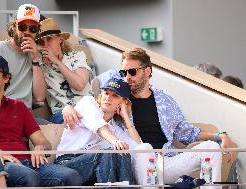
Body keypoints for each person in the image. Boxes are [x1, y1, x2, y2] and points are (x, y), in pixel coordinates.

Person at [63, 48, 235, 187]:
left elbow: (185, 132)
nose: (127, 77)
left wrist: (219, 136)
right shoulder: (118, 98)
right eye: (124, 72)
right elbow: (93, 104)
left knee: (211, 148)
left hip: (166, 162)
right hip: (135, 162)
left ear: (147, 71)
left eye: (132, 72)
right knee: (143, 148)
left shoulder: (164, 100)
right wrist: (67, 107)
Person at [0, 55, 82, 187]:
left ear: (6, 78)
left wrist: (39, 147)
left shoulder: (18, 106)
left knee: (72, 176)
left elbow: (44, 142)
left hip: (28, 162)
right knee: (29, 177)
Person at [56, 78, 140, 186]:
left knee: (123, 152)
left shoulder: (114, 127)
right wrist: (116, 142)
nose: (108, 98)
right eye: (106, 93)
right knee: (109, 153)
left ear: (123, 102)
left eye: (115, 96)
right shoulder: (88, 103)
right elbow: (100, 127)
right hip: (66, 162)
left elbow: (139, 148)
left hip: (95, 165)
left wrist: (126, 119)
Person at [0, 4, 46, 109]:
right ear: (13, 26)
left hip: (24, 114)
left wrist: (36, 59)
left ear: (37, 32)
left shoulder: (36, 56)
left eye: (33, 28)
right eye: (22, 27)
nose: (27, 32)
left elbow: (40, 97)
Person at [36, 18, 91, 123]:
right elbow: (39, 98)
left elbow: (79, 85)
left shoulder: (77, 56)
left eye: (49, 39)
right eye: (41, 42)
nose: (46, 45)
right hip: (62, 114)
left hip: (86, 109)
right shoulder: (39, 66)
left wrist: (57, 62)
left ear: (60, 39)